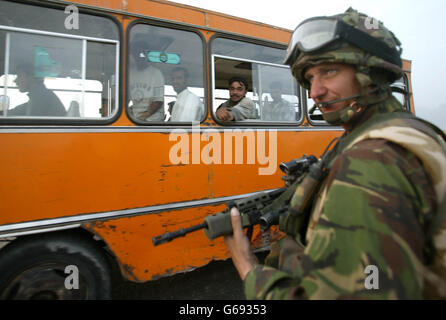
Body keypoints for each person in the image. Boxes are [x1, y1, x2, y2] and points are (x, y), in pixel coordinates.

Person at [224, 8, 446, 299]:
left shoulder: (373, 159)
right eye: (309, 77)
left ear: (370, 74)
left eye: (329, 71)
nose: (315, 91)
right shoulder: (409, 131)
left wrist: (246, 265)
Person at [128, 36, 165, 121]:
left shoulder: (156, 73)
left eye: (142, 53)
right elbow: (127, 98)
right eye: (136, 53)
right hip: (137, 120)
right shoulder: (131, 74)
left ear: (146, 55)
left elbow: (158, 101)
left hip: (152, 121)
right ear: (133, 54)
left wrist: (143, 118)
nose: (139, 56)